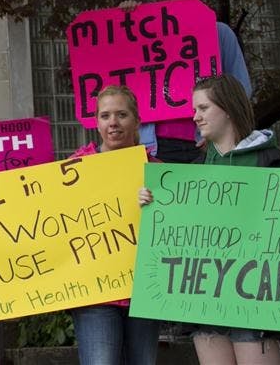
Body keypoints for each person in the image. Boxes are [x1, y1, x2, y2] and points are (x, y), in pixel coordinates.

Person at [139, 74, 280, 365]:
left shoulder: (271, 162)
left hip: (256, 300)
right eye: (194, 109)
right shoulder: (191, 173)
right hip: (205, 302)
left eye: (203, 108)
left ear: (229, 109)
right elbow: (172, 235)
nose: (195, 117)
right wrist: (151, 203)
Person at [122, 0, 252, 163]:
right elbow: (121, 85)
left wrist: (222, 132)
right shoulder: (144, 34)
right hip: (155, 147)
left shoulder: (220, 33)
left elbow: (241, 90)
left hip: (205, 142)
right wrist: (124, 20)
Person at [69, 86, 160, 365]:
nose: (113, 123)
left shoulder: (158, 172)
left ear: (137, 121)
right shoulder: (74, 169)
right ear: (96, 123)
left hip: (143, 293)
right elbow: (49, 227)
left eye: (122, 114)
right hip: (95, 295)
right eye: (105, 115)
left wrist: (157, 206)